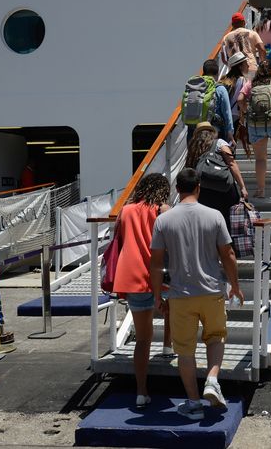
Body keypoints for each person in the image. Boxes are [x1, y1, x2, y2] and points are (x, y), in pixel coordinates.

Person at [149, 169, 244, 421]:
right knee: (215, 337)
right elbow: (228, 255)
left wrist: (158, 294)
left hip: (180, 294)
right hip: (212, 290)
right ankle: (212, 379)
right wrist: (235, 285)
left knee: (185, 352)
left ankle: (193, 403)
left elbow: (156, 263)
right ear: (198, 187)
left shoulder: (163, 221)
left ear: (177, 189)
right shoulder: (214, 216)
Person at [112, 173, 173, 409]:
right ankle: (169, 347)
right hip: (163, 274)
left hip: (133, 277)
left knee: (143, 339)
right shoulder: (164, 210)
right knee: (171, 312)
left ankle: (141, 391)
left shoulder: (125, 211)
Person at [237, 61, 271, 198]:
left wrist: (246, 110)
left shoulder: (250, 84)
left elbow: (239, 99)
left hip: (255, 124)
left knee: (260, 158)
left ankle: (261, 190)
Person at [186, 121, 248, 231]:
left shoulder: (193, 147)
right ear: (212, 133)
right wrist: (242, 187)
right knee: (227, 220)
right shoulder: (219, 143)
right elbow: (232, 164)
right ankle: (227, 244)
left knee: (208, 221)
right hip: (224, 188)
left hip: (203, 190)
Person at [184, 59, 234, 144]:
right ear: (217, 73)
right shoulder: (220, 89)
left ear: (204, 72)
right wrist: (230, 131)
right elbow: (227, 112)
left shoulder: (195, 88)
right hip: (213, 130)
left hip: (194, 128)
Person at [220, 52, 250, 156]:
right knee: (231, 145)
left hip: (222, 116)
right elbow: (240, 99)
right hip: (235, 117)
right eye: (246, 63)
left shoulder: (224, 79)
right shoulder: (242, 80)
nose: (248, 65)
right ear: (240, 66)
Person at [221, 12, 266, 79]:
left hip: (234, 70)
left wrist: (229, 65)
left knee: (238, 89)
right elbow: (262, 49)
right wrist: (262, 64)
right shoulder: (253, 33)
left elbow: (224, 58)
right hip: (250, 67)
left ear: (232, 24)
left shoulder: (225, 38)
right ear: (244, 22)